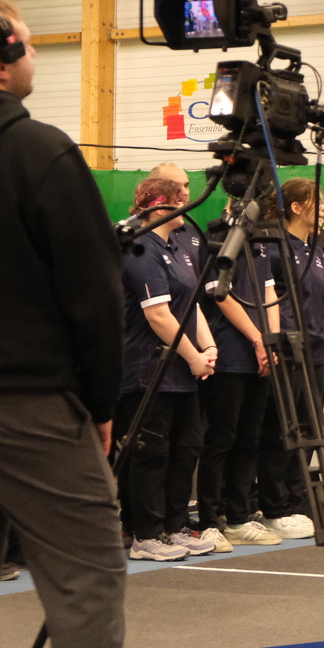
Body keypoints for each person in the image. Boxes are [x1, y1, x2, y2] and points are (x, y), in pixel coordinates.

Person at [0, 0, 129, 648]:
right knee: (87, 580)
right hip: (29, 406)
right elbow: (96, 298)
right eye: (29, 45)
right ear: (1, 62)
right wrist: (101, 403)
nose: (35, 55)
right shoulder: (40, 151)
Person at [114, 176, 219, 559]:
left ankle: (175, 527)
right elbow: (158, 315)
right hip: (148, 371)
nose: (188, 206)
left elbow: (190, 306)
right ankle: (146, 534)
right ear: (161, 206)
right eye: (182, 199)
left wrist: (208, 347)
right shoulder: (142, 249)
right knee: (151, 453)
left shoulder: (177, 248)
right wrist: (194, 357)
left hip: (182, 373)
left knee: (187, 448)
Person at [256, 178, 324, 538]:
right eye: (316, 201)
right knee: (282, 432)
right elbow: (278, 306)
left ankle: (297, 500)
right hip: (290, 354)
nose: (323, 207)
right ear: (295, 207)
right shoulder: (274, 248)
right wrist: (315, 332)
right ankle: (274, 505)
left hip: (318, 356)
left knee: (308, 431)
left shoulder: (318, 250)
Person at [195, 203, 280, 551]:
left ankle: (239, 517)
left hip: (259, 358)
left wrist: (271, 342)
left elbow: (270, 292)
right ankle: (209, 520)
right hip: (229, 357)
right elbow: (220, 295)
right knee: (221, 438)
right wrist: (257, 339)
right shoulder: (217, 236)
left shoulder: (261, 241)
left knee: (249, 438)